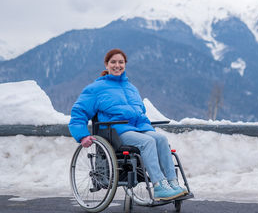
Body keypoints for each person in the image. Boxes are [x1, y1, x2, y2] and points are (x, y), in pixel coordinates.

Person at [68, 48, 186, 201]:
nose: (117, 65)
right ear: (106, 65)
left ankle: (173, 183)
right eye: (113, 62)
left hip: (138, 128)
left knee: (161, 139)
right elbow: (79, 111)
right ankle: (159, 186)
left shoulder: (131, 88)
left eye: (121, 62)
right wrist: (82, 135)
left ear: (125, 64)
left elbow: (140, 113)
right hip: (116, 131)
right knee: (148, 142)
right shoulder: (95, 89)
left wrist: (146, 126)